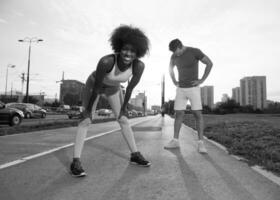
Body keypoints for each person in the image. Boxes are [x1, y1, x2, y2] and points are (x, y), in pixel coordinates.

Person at [70, 25, 151, 177]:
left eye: (133, 51)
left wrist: (124, 108)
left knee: (124, 120)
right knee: (86, 121)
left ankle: (135, 154)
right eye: (126, 49)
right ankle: (75, 161)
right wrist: (88, 111)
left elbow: (130, 88)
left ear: (137, 53)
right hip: (95, 85)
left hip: (114, 88)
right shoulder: (106, 62)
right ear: (119, 47)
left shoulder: (138, 66)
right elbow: (96, 88)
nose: (128, 53)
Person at [164, 39, 213, 153]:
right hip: (181, 89)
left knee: (197, 114)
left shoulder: (194, 51)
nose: (176, 54)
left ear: (181, 46)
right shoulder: (173, 56)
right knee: (178, 114)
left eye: (177, 51)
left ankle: (200, 143)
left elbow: (209, 63)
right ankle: (175, 141)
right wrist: (174, 81)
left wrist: (202, 80)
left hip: (193, 88)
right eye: (174, 53)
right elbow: (170, 69)